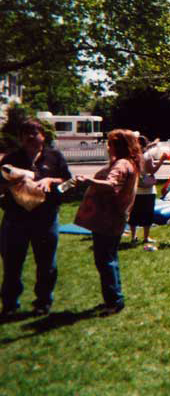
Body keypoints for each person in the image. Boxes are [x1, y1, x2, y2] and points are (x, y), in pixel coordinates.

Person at [0, 119, 71, 317]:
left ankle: (43, 301)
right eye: (26, 133)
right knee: (12, 263)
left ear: (43, 136)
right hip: (15, 219)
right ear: (21, 138)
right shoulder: (11, 159)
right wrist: (12, 181)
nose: (30, 137)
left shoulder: (55, 157)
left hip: (45, 218)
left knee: (47, 263)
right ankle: (9, 304)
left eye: (34, 132)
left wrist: (50, 180)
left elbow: (68, 182)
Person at [73, 129, 140, 315]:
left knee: (105, 261)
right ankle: (115, 297)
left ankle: (114, 301)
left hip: (108, 219)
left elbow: (111, 185)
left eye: (110, 144)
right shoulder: (129, 163)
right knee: (110, 259)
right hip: (115, 218)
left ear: (117, 146)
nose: (108, 147)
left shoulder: (121, 164)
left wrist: (88, 180)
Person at [129, 136, 170, 244]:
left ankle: (133, 238)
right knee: (147, 215)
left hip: (135, 189)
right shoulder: (147, 156)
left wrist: (154, 143)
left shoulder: (132, 156)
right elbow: (152, 170)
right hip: (147, 191)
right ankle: (146, 238)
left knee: (134, 214)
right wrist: (161, 160)